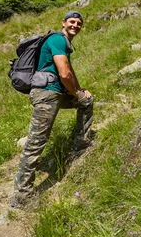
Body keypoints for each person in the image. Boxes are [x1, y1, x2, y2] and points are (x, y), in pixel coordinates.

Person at [12, 11, 93, 207]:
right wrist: (74, 92)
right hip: (46, 94)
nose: (75, 25)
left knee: (86, 101)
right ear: (63, 22)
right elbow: (64, 73)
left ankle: (81, 142)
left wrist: (79, 91)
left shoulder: (64, 43)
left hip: (54, 93)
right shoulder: (57, 39)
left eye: (79, 23)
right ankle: (22, 196)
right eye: (72, 22)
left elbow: (69, 71)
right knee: (36, 142)